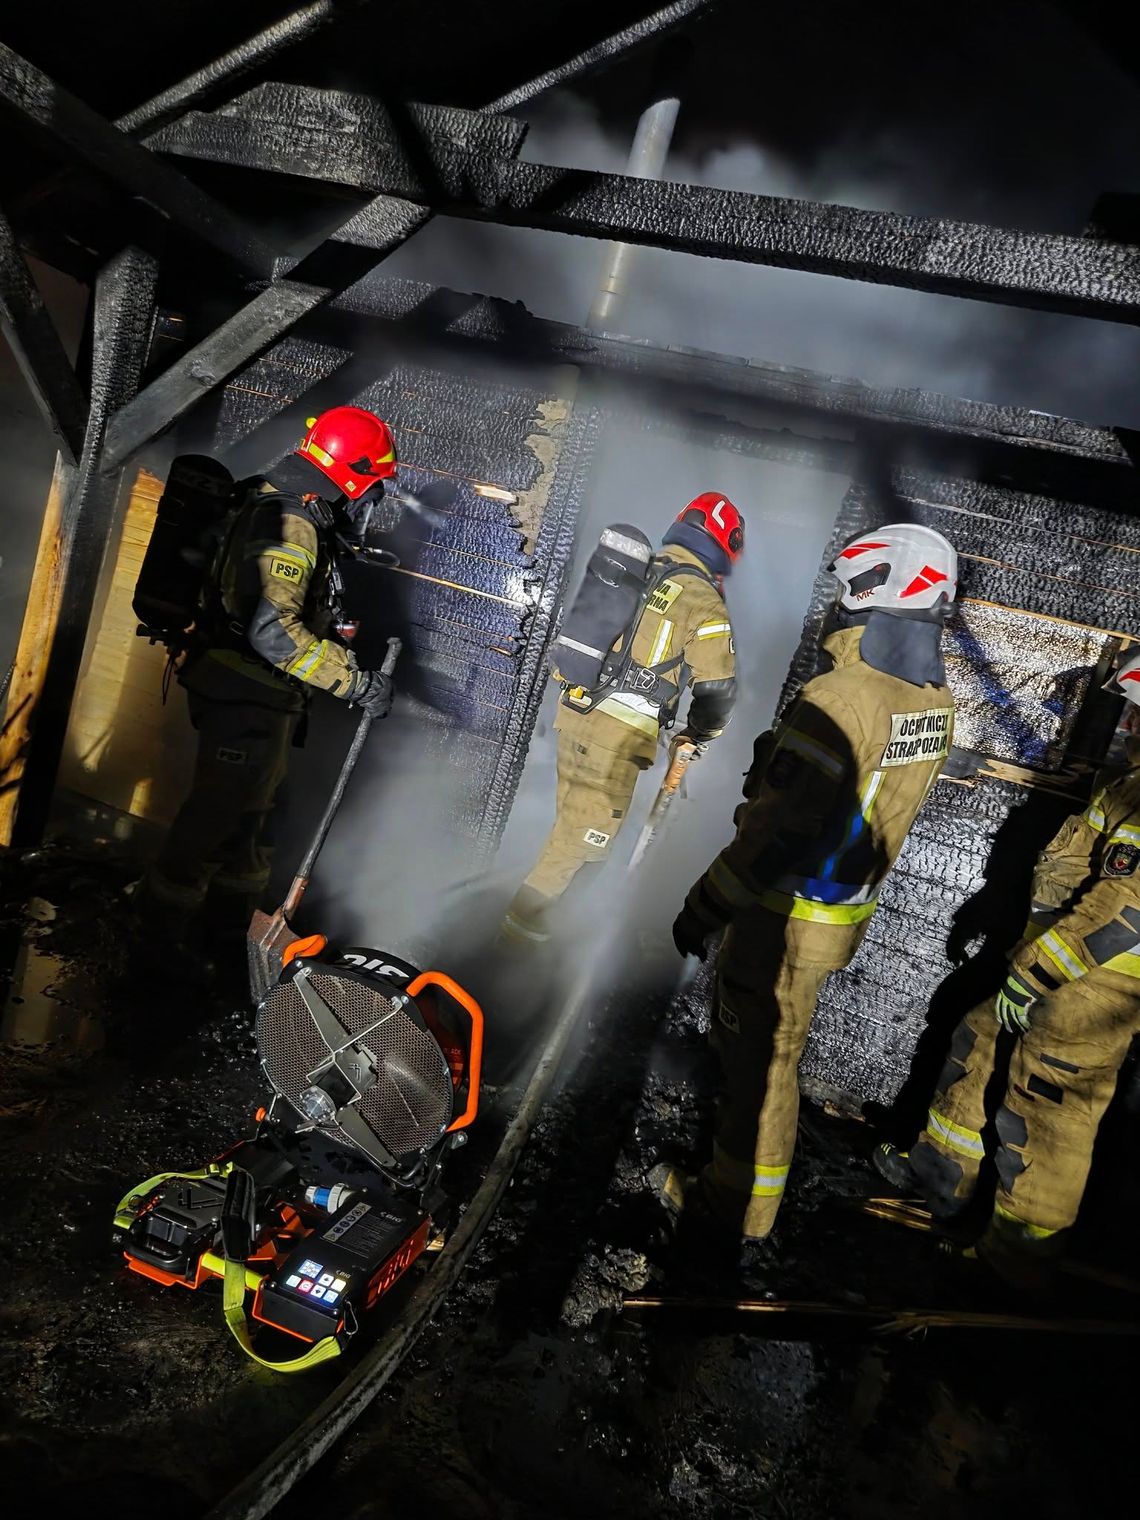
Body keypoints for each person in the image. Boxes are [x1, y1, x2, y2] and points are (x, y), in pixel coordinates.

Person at [663, 522, 958, 1249]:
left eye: (849, 590)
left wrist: (705, 906)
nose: (839, 606)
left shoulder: (845, 694)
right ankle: (744, 1202)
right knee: (776, 1050)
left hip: (785, 914)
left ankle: (733, 1214)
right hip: (836, 918)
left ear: (877, 589)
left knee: (763, 1064)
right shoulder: (932, 701)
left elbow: (779, 827)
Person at [874, 649, 1140, 1278]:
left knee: (1048, 1120)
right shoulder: (1127, 784)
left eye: (1136, 712)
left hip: (1090, 993)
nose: (1127, 723)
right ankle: (941, 1176)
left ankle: (1014, 1262)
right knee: (979, 1035)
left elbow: (1124, 912)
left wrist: (1034, 974)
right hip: (1053, 969)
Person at [138, 406, 399, 960]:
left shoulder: (285, 503)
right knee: (214, 819)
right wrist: (351, 682)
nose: (371, 503)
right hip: (245, 695)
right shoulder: (294, 522)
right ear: (351, 474)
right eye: (372, 487)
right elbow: (272, 632)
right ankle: (155, 953)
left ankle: (227, 941)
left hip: (260, 698)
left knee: (252, 825)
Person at [499, 493, 743, 948]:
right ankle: (507, 949)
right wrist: (701, 733)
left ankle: (538, 934)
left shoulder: (642, 569)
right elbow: (716, 690)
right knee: (579, 844)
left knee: (572, 834)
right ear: (724, 545)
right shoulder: (703, 599)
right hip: (617, 735)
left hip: (576, 717)